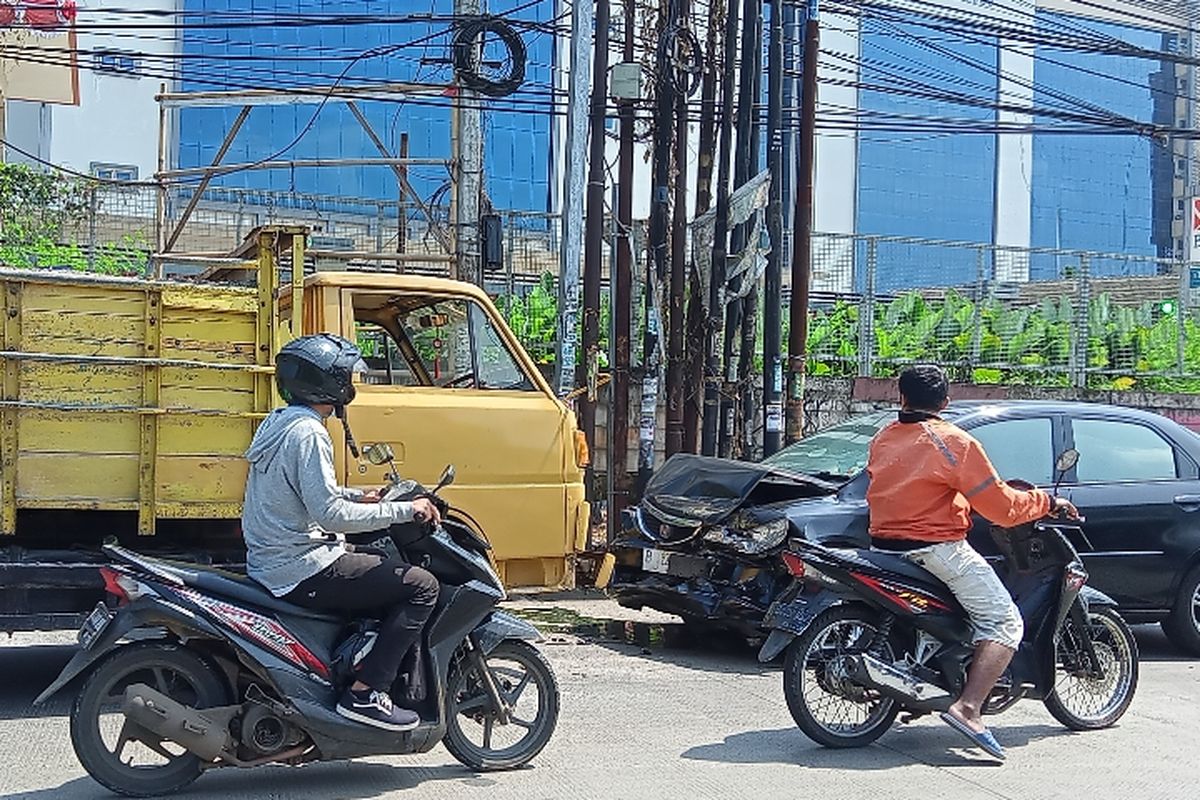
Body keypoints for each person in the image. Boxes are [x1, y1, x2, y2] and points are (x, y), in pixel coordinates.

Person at [865, 364, 1077, 761]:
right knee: (1004, 621)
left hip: (883, 547)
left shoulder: (883, 437)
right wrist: (1048, 502)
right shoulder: (954, 442)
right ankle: (968, 708)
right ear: (946, 402)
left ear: (901, 398)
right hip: (936, 548)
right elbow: (1001, 507)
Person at [241, 333, 442, 733]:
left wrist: (361, 497)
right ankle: (366, 694)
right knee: (421, 586)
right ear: (328, 382)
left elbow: (302, 491)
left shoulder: (280, 422)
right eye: (346, 374)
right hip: (299, 565)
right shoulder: (310, 433)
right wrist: (405, 509)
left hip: (273, 559)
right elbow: (331, 515)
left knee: (379, 565)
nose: (352, 382)